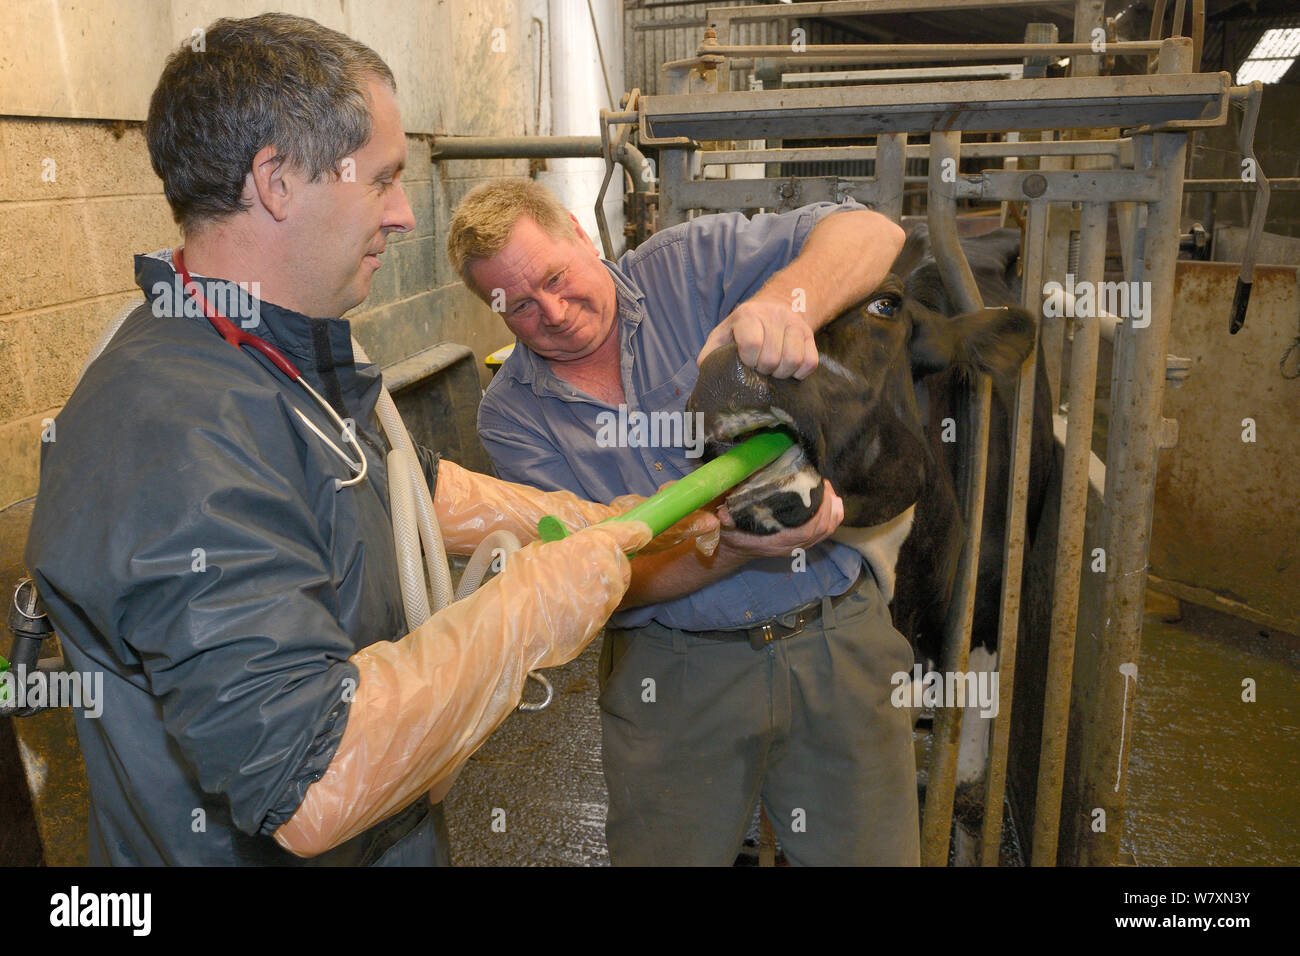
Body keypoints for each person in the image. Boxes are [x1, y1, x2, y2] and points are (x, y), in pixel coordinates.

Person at [22, 14, 708, 866]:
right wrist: (534, 607)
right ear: (276, 182)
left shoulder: (260, 344)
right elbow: (309, 778)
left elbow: (400, 492)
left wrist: (591, 517)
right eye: (382, 179)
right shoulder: (173, 428)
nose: (400, 217)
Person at [448, 179, 921, 865]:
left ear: (581, 235)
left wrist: (779, 304)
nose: (551, 310)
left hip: (832, 635)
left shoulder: (689, 263)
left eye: (554, 276)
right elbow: (609, 579)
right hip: (673, 671)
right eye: (518, 305)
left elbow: (875, 233)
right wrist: (731, 544)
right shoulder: (511, 415)